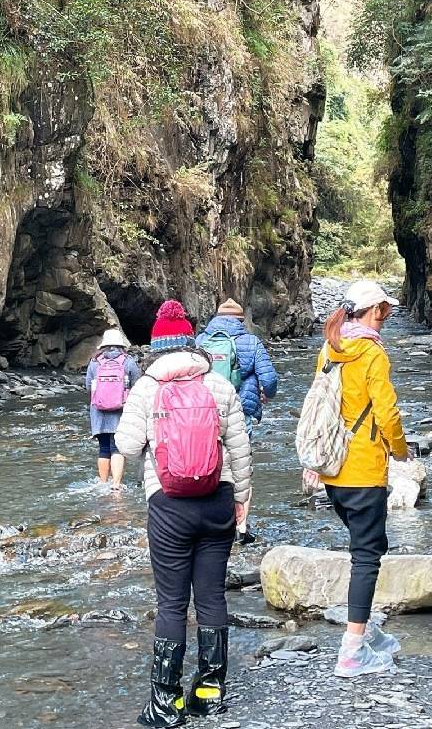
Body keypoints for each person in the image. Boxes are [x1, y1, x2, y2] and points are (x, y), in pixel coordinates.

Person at [113, 300, 253, 725]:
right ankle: (209, 693)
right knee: (211, 597)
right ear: (192, 343)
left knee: (172, 604)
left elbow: (126, 446)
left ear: (156, 347)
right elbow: (240, 446)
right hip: (217, 500)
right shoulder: (219, 385)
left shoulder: (146, 388)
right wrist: (242, 500)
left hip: (168, 505)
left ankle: (166, 703)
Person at [310, 279, 409, 678]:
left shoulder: (331, 348)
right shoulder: (371, 353)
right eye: (384, 312)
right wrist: (400, 451)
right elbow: (387, 413)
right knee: (366, 557)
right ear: (374, 312)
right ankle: (351, 652)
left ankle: (365, 632)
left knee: (366, 547)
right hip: (363, 467)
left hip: (331, 469)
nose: (386, 318)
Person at [198, 297, 280, 543]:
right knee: (240, 467)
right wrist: (266, 394)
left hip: (203, 412)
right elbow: (269, 379)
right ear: (240, 320)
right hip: (239, 411)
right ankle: (241, 529)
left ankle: (210, 524)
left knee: (209, 464)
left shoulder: (200, 341)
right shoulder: (250, 341)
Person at [85, 329, 140, 490]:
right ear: (121, 344)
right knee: (117, 447)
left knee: (103, 448)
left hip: (99, 411)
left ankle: (103, 483)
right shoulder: (128, 361)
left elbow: (88, 386)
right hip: (121, 411)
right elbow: (136, 385)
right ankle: (116, 484)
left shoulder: (95, 362)